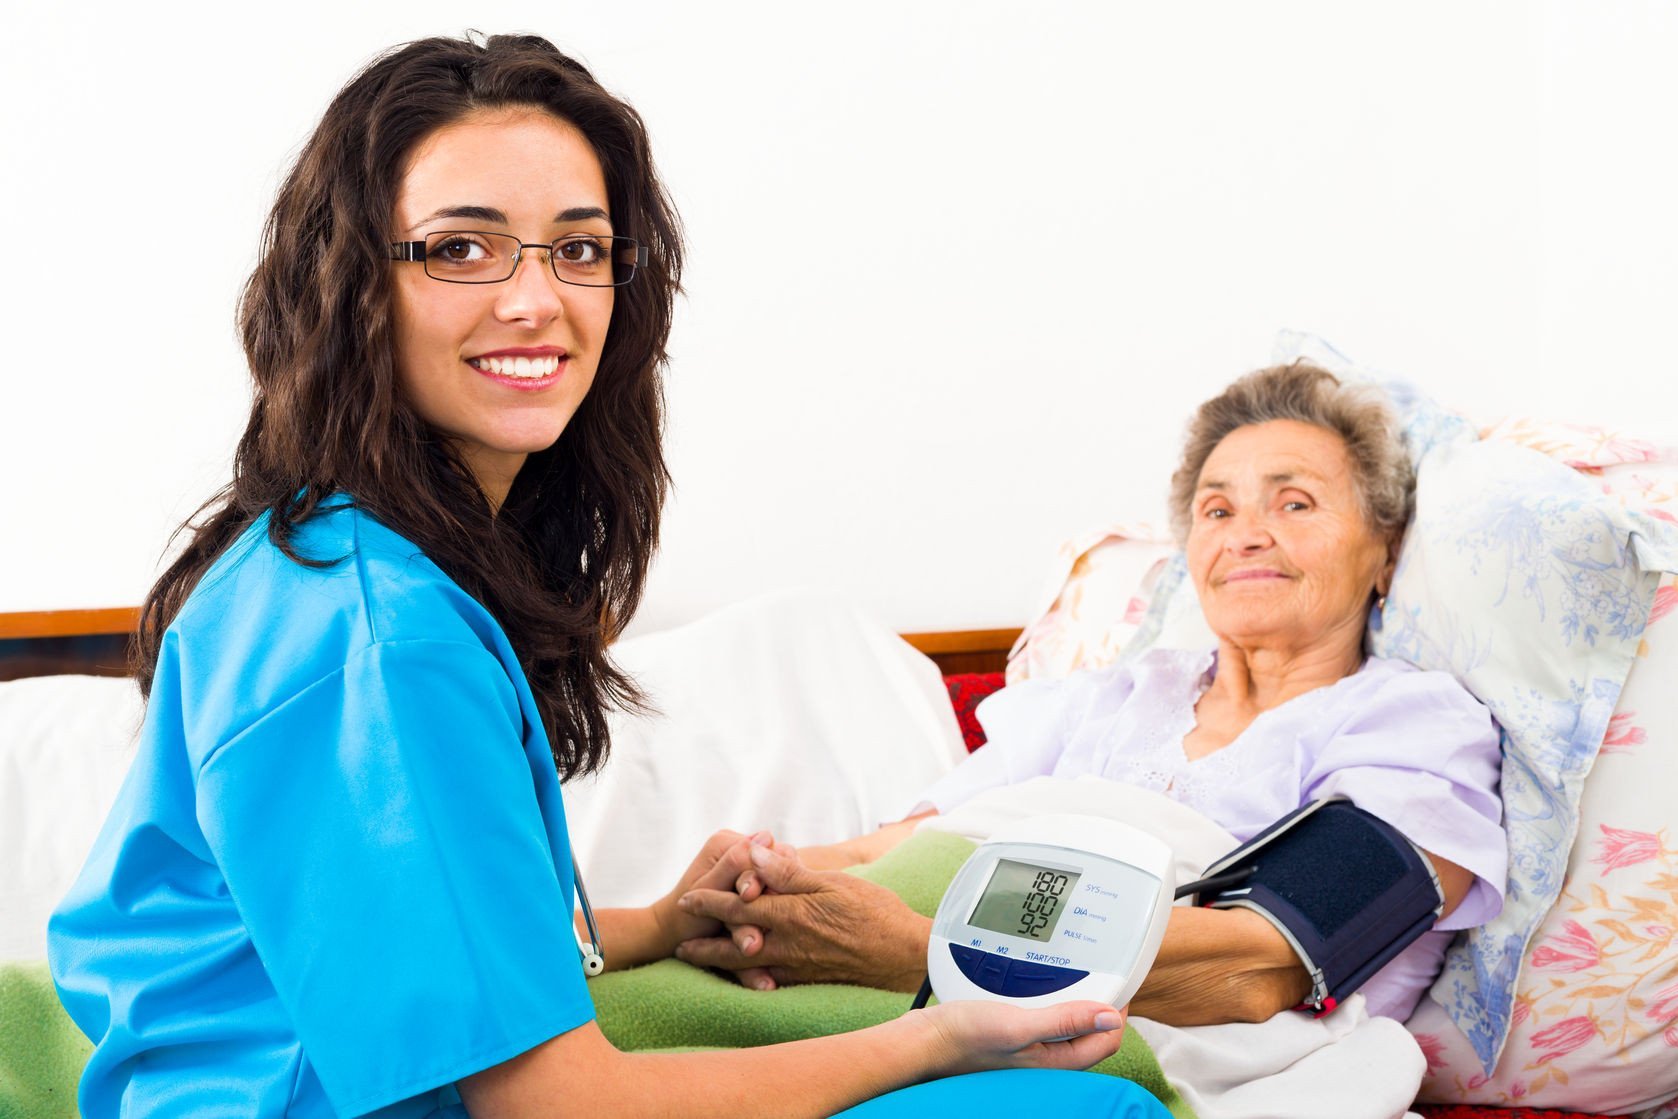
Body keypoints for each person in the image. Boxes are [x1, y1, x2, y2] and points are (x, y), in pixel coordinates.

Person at [46, 34, 1169, 1119]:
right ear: (349, 286)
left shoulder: (327, 562)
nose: (538, 300)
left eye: (578, 249)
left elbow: (433, 937)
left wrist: (660, 923)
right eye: (461, 248)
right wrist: (935, 1039)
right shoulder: (380, 639)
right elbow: (562, 1105)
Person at [673, 363, 1507, 1027]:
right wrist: (750, 888)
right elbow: (892, 852)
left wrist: (920, 953)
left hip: (1172, 1046)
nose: (1246, 532)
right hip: (932, 982)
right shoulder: (1109, 697)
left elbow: (1265, 963)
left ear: (1385, 554)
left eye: (1294, 502)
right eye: (1217, 510)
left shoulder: (1416, 728)